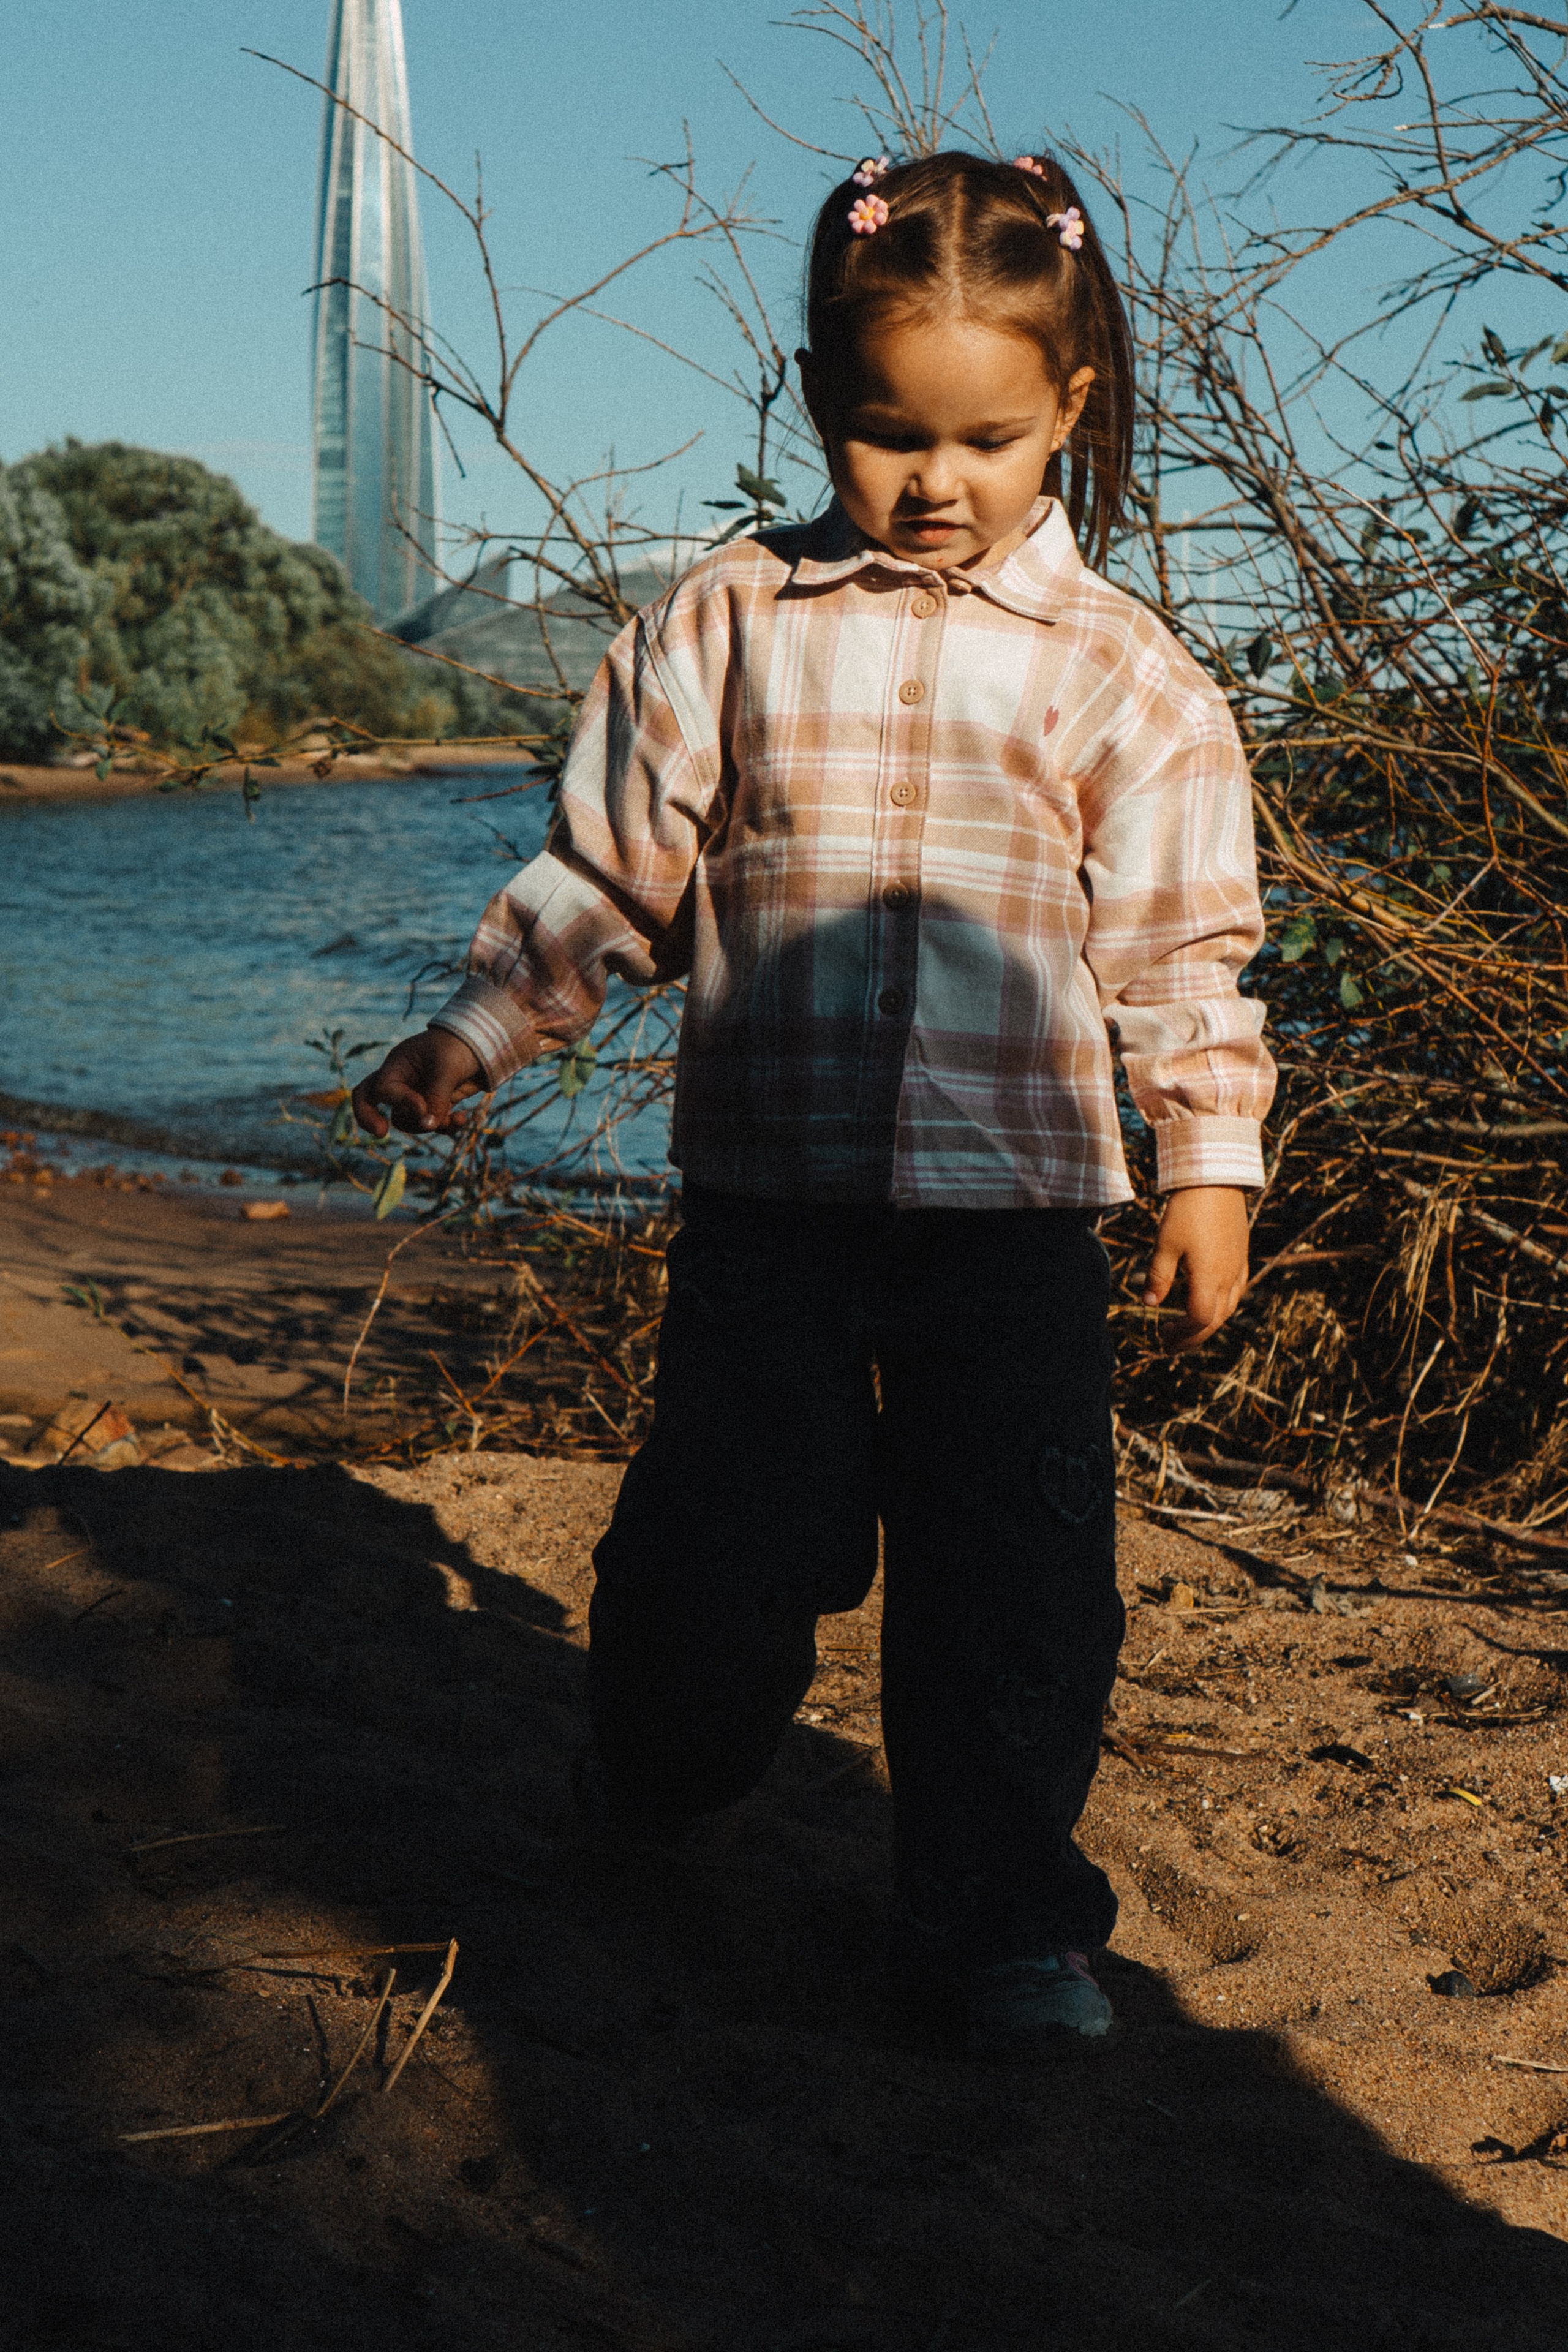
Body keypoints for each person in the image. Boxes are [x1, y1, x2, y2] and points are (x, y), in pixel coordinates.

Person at [353, 150, 1275, 2057]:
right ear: (811, 397)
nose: (935, 482)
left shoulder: (1129, 680)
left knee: (1015, 1593)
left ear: (1070, 413)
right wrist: (478, 1033)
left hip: (1012, 1229)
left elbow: (1185, 951)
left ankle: (998, 1921)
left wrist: (1210, 1167)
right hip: (769, 1213)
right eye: (884, 434)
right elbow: (610, 879)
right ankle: (655, 1780)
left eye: (987, 438)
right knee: (718, 1553)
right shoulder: (731, 622)